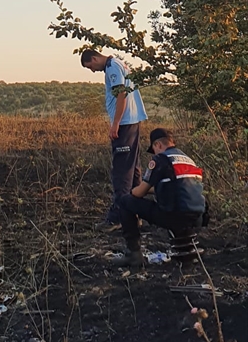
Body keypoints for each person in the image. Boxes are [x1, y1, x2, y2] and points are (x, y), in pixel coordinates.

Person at [117, 127, 206, 266]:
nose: (154, 153)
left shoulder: (161, 159)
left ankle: (133, 253)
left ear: (158, 145)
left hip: (173, 216)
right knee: (181, 203)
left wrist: (133, 191)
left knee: (125, 201)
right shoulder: (188, 160)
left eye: (154, 149)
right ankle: (187, 249)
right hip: (197, 218)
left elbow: (139, 192)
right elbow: (176, 187)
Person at [80, 48, 148, 225]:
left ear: (94, 58)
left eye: (90, 67)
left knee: (122, 172)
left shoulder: (112, 67)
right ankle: (135, 214)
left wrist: (116, 123)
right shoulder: (119, 63)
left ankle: (119, 217)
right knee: (133, 170)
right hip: (132, 120)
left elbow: (121, 95)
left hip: (125, 123)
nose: (93, 71)